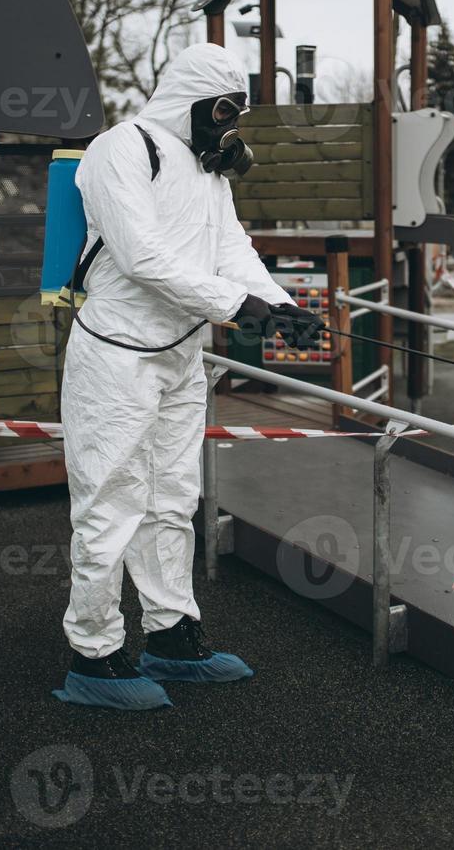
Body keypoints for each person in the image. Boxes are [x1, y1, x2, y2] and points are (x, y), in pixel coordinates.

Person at [53, 44, 322, 711]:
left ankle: (170, 633)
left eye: (237, 112)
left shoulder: (207, 171)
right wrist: (238, 306)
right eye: (223, 109)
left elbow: (232, 250)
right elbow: (140, 256)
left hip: (180, 354)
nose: (229, 124)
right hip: (116, 355)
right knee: (109, 501)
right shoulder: (121, 148)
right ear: (190, 98)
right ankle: (94, 651)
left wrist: (284, 307)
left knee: (173, 497)